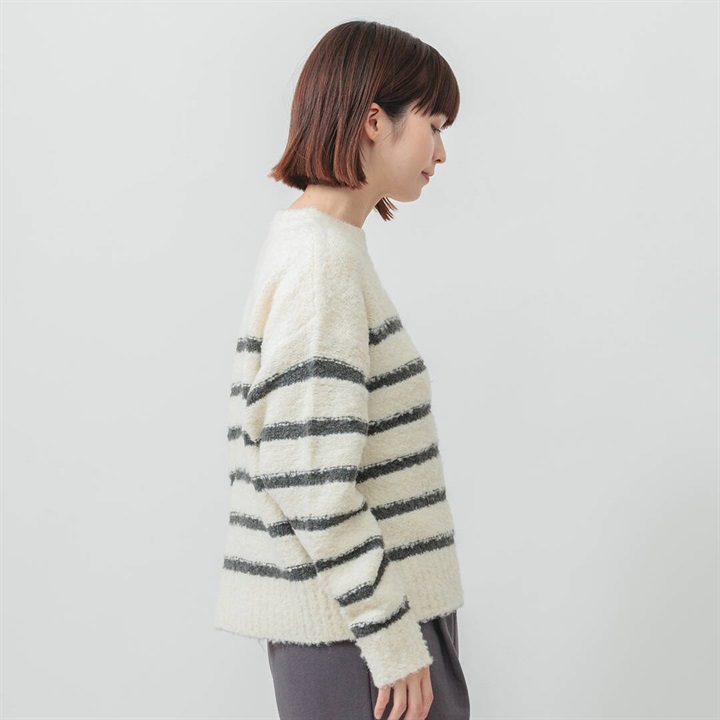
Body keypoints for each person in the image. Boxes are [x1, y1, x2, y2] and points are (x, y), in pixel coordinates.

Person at [214, 19, 470, 720]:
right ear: (373, 121)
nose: (441, 151)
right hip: (360, 642)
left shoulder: (328, 250)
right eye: (433, 125)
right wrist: (391, 637)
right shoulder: (320, 264)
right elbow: (308, 478)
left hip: (364, 631)